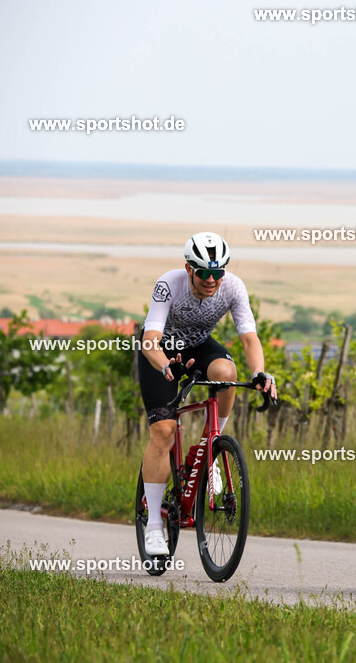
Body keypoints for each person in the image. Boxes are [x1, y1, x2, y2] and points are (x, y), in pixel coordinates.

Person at [137, 232, 277, 556]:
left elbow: (249, 338)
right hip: (162, 350)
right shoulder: (169, 284)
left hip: (199, 346)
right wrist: (163, 367)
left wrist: (260, 372)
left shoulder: (233, 287)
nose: (212, 280)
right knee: (163, 431)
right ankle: (154, 525)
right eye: (205, 273)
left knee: (227, 374)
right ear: (189, 269)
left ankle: (209, 447)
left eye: (218, 272)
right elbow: (150, 339)